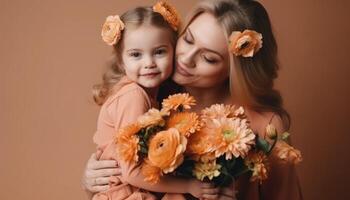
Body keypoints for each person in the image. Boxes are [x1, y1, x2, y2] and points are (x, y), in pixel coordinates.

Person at [82, 0, 303, 199]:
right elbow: (127, 175)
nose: (186, 59)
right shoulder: (155, 97)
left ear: (234, 70)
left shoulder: (265, 127)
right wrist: (93, 179)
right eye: (187, 40)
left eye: (208, 57)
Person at [85, 2, 220, 200]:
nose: (149, 63)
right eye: (136, 55)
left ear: (173, 50)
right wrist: (189, 186)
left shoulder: (154, 95)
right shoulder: (134, 96)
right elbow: (131, 172)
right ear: (121, 61)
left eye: (159, 52)